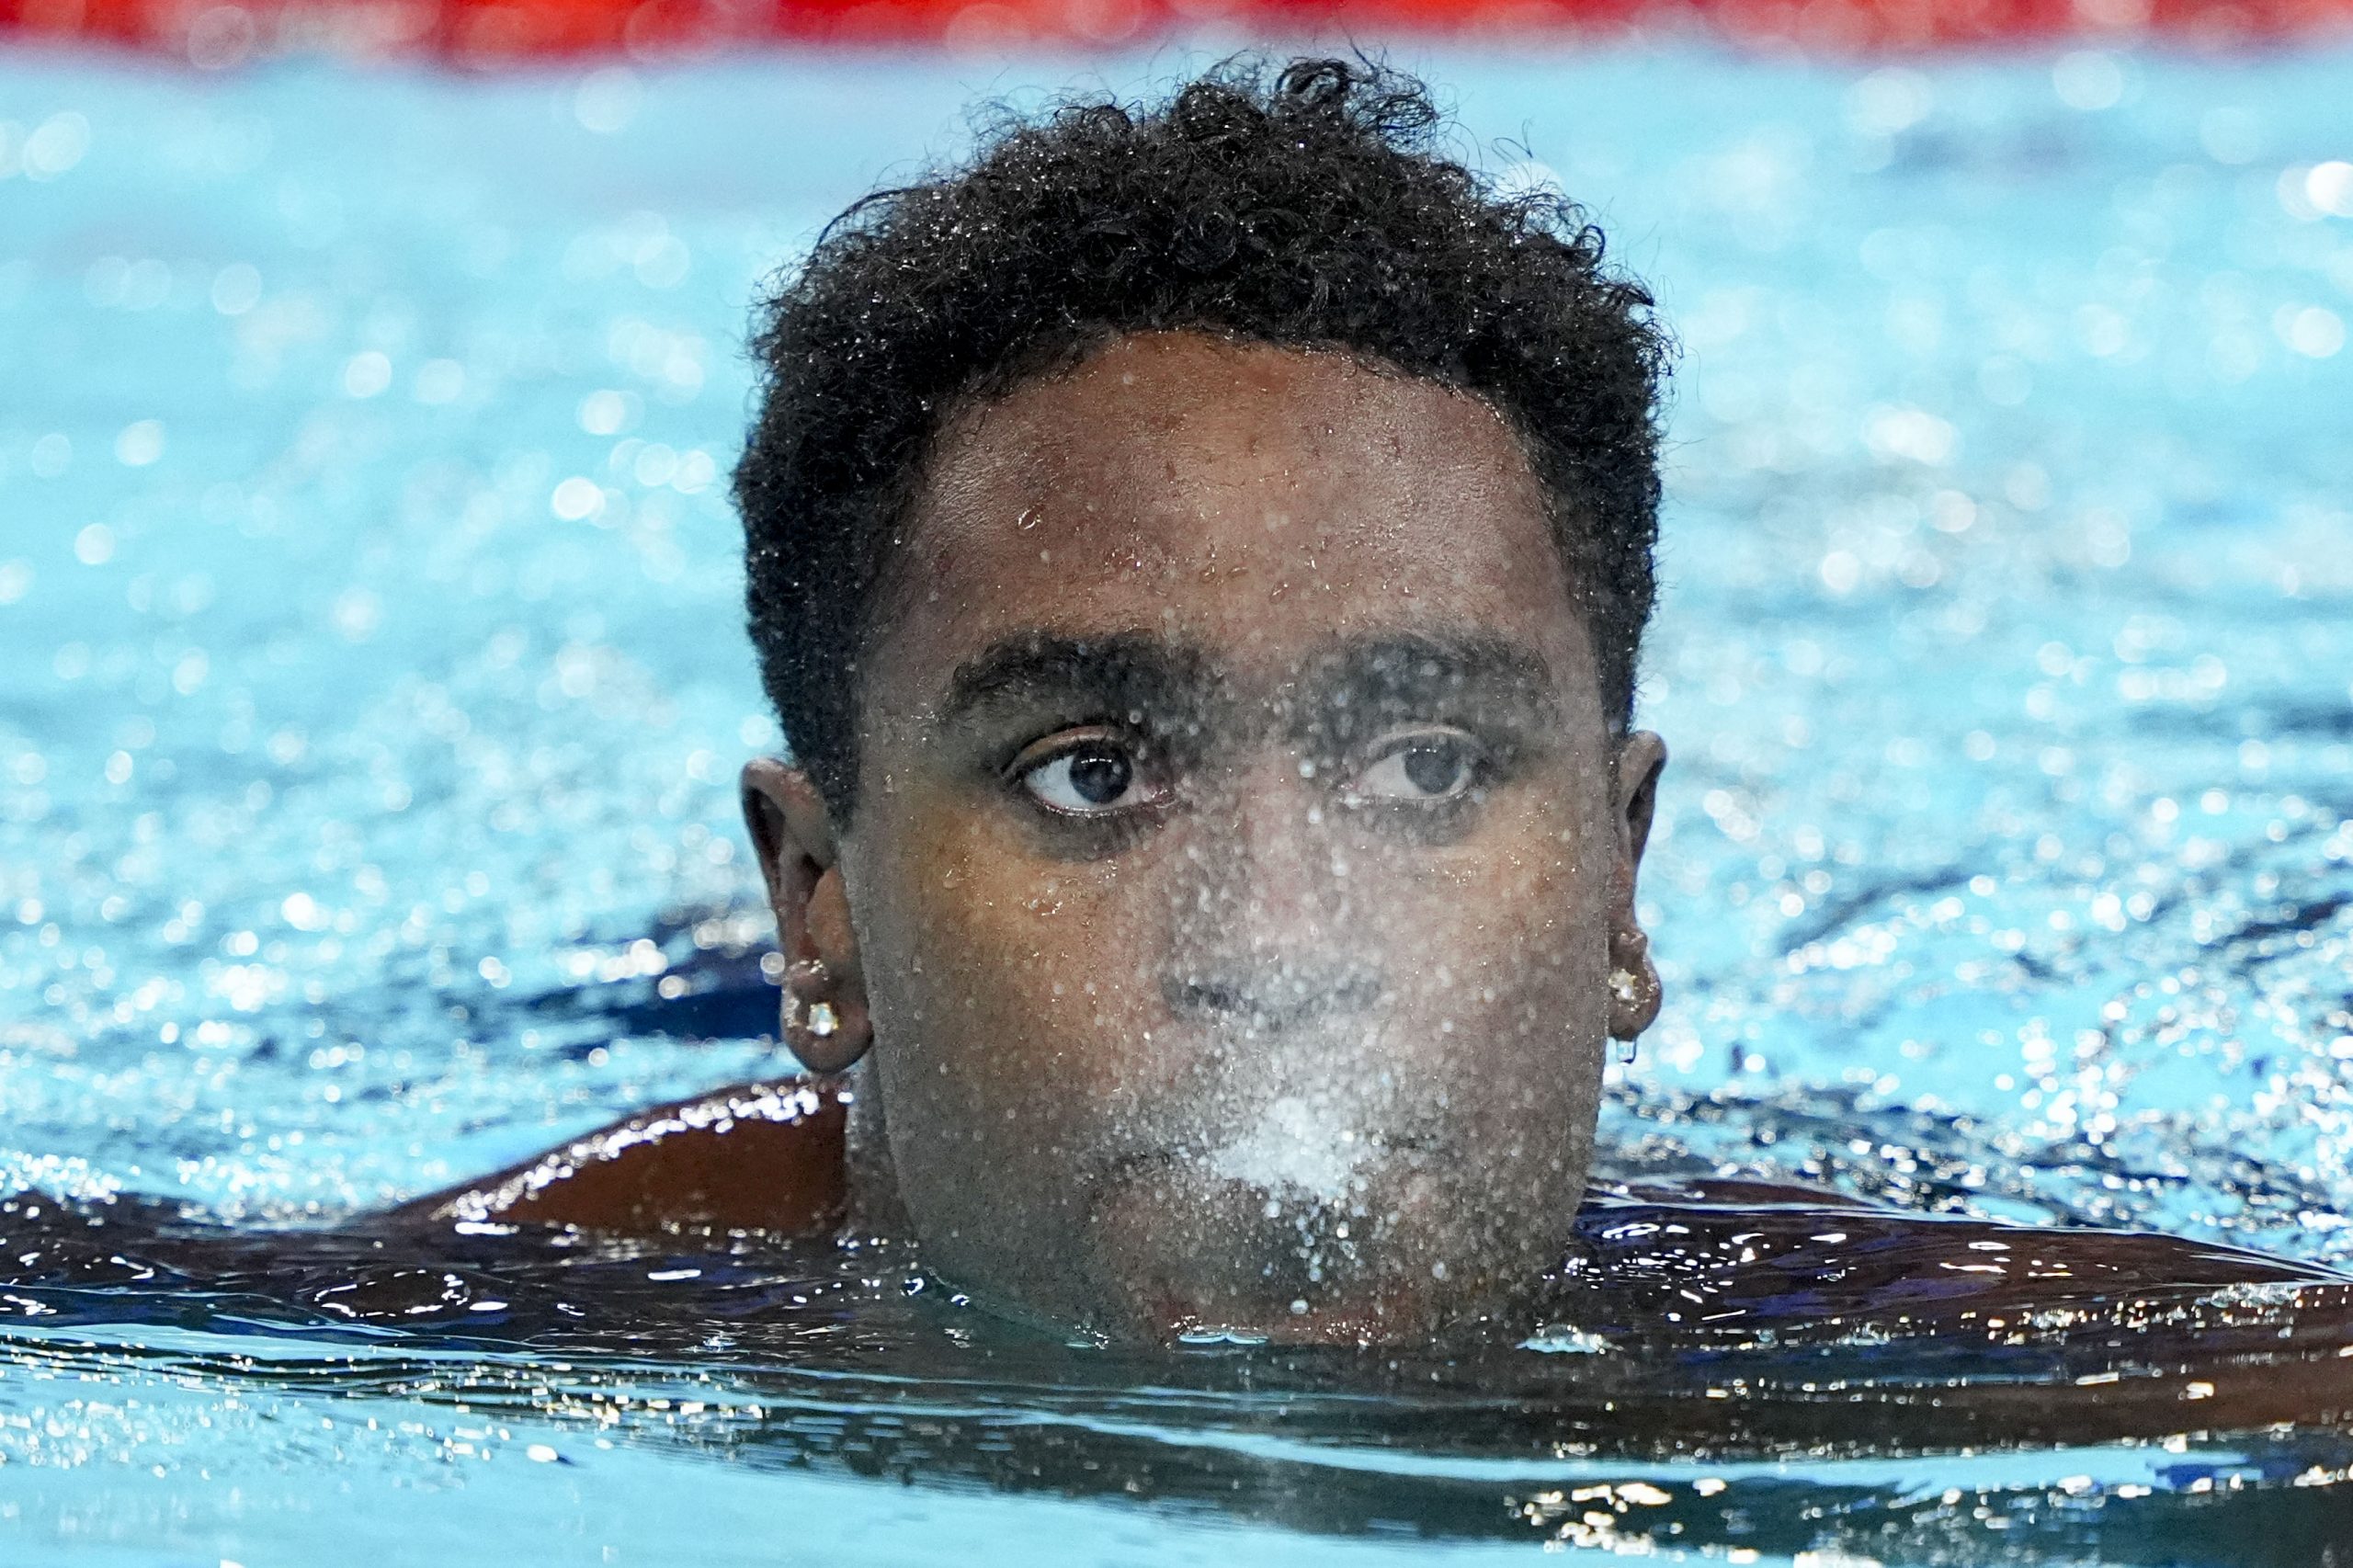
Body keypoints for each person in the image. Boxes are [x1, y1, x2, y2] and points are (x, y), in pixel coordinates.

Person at [400, 57, 2340, 1353]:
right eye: (1092, 771)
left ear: (1616, 881)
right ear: (817, 914)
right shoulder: (506, 1324)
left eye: (1423, 765)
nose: (1281, 940)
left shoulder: (1938, 1345)